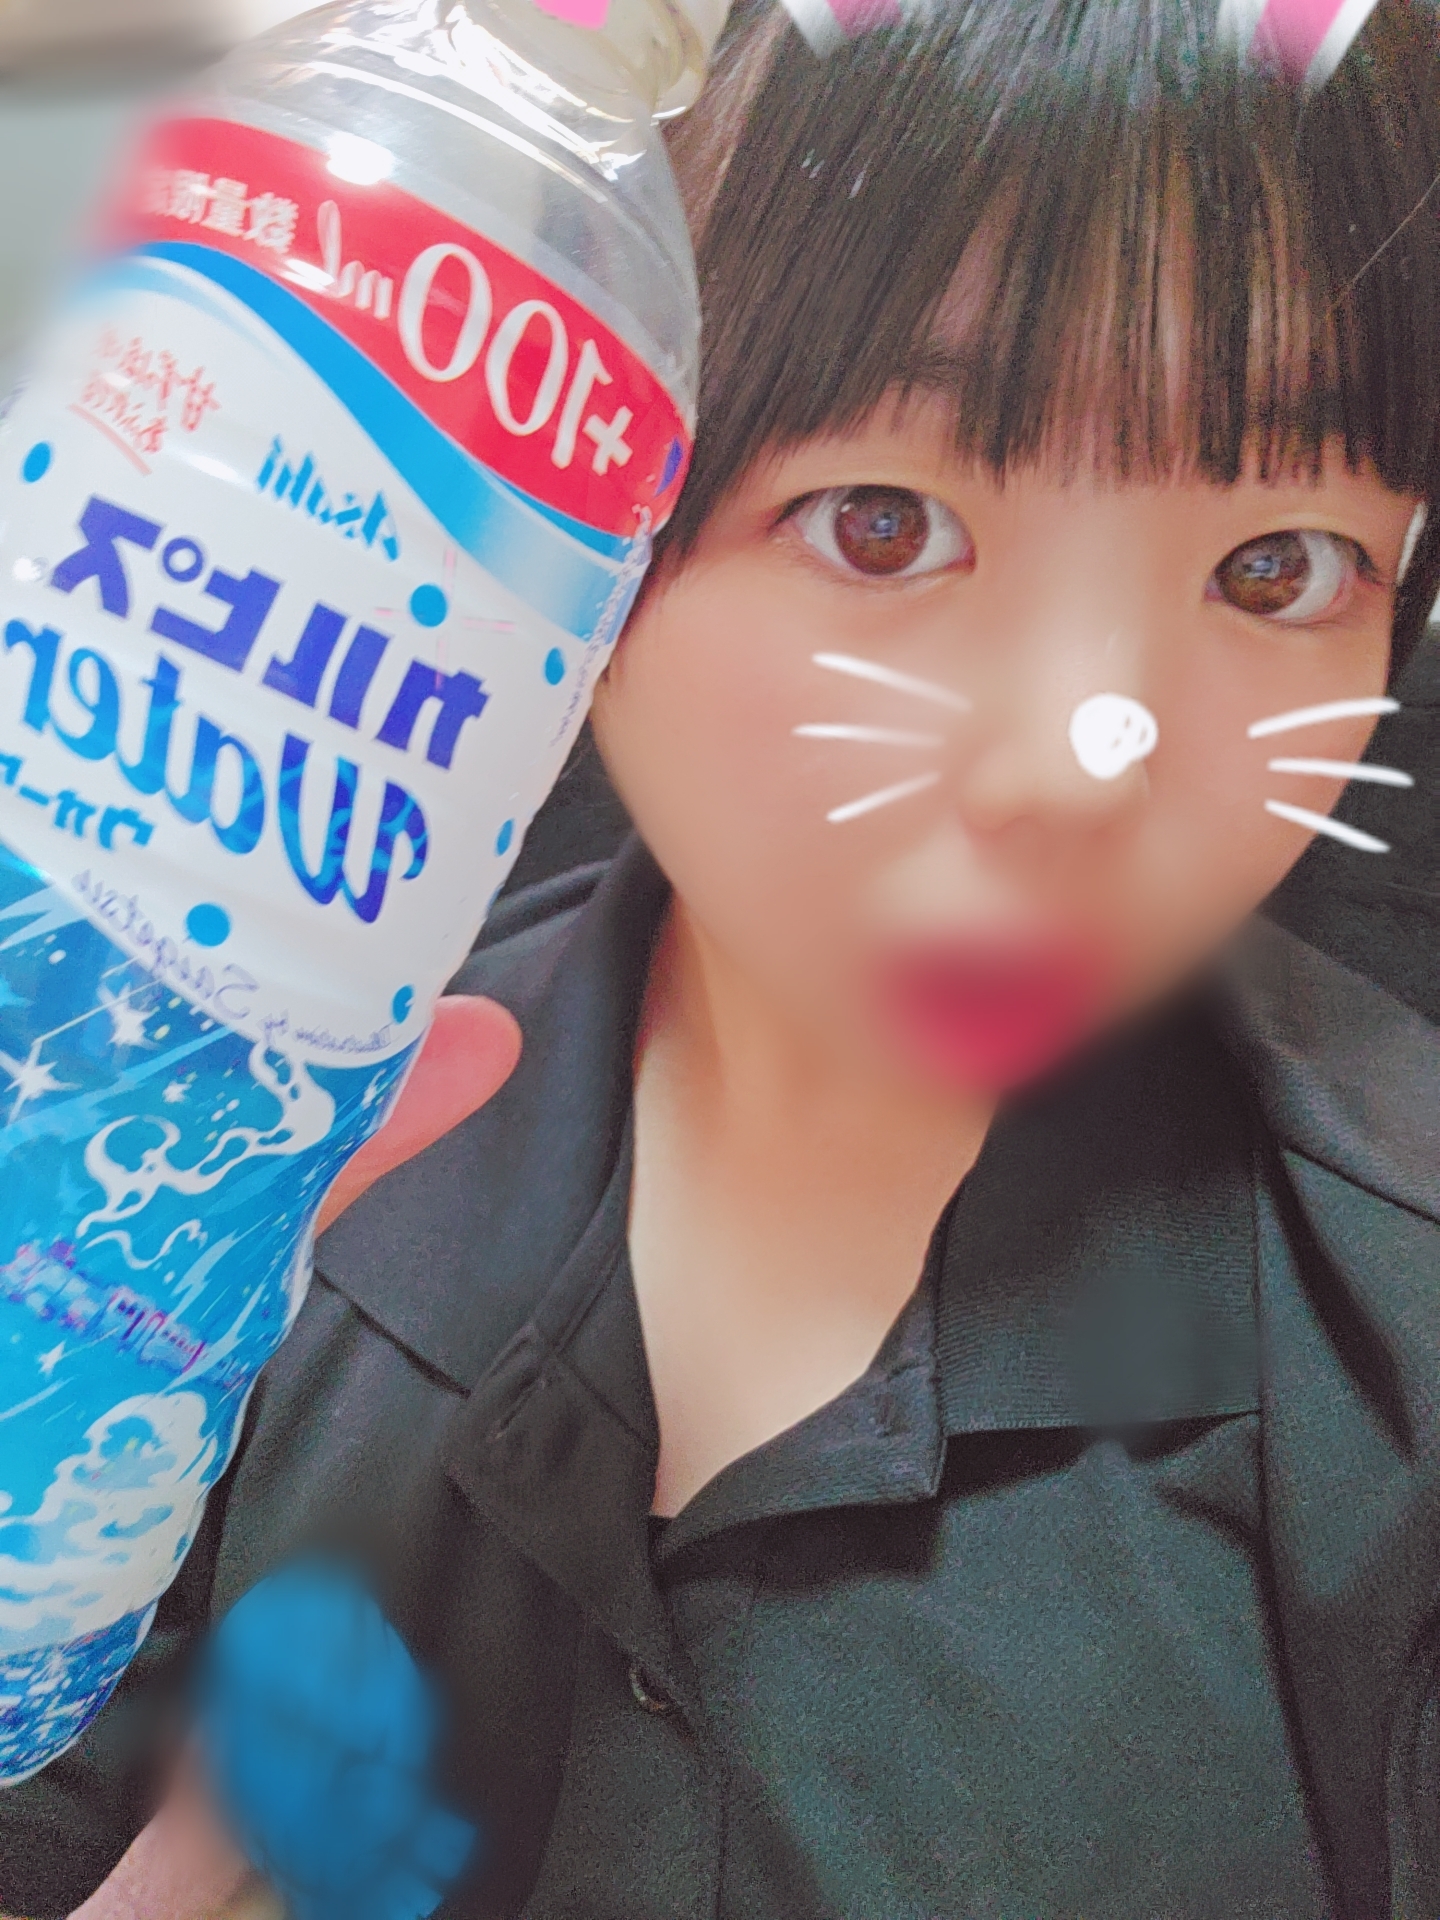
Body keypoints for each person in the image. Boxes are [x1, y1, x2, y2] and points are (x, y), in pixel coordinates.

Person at [5, 0, 1440, 1913]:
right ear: (577, 544)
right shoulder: (215, 1171)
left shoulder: (1392, 1344)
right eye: (881, 526)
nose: (1075, 771)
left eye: (1279, 569)